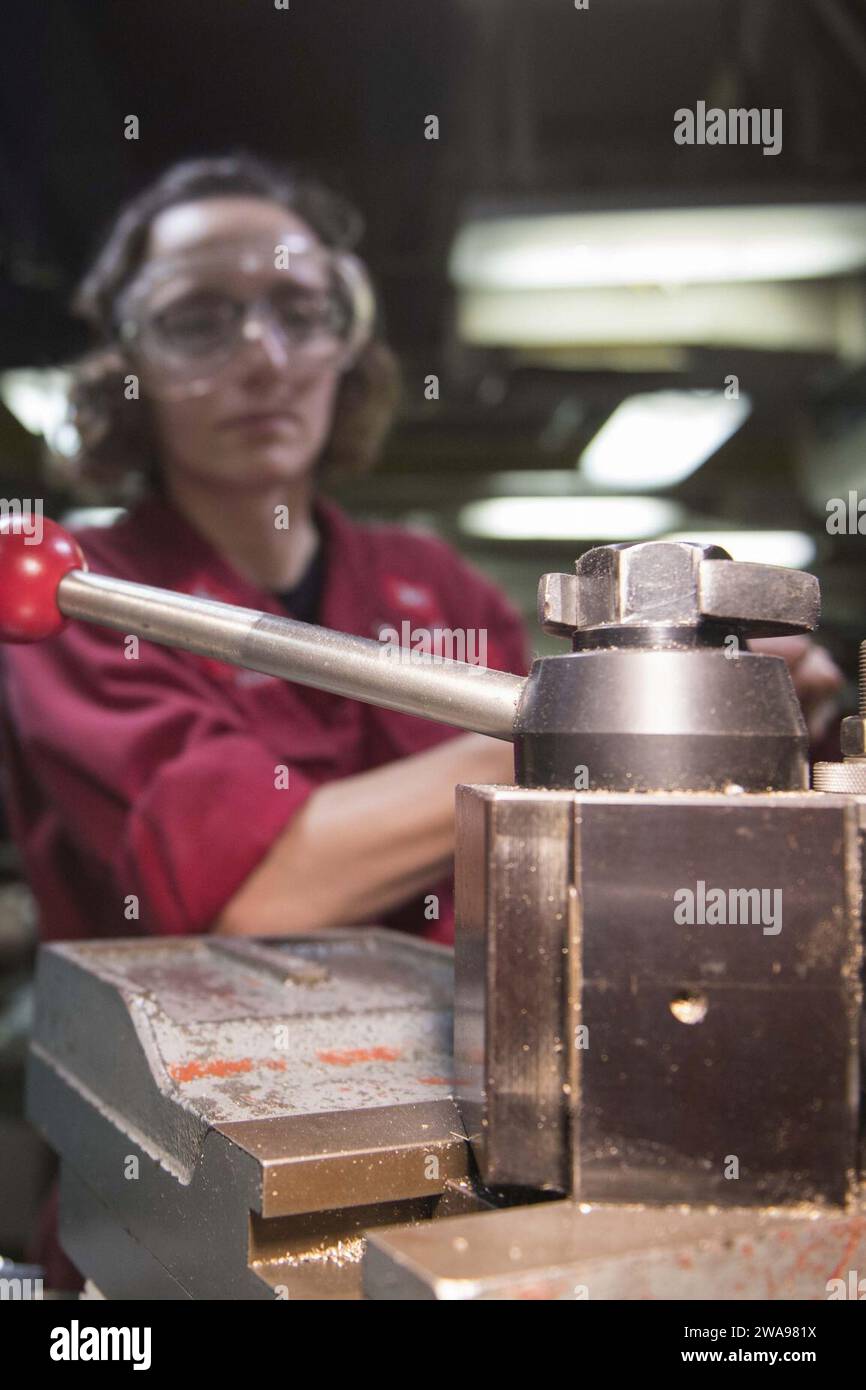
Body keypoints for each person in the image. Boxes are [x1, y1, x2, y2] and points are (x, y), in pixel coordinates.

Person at [0, 152, 527, 949]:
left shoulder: (442, 589)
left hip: (458, 1060)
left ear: (344, 345)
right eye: (196, 321)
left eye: (302, 313)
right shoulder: (76, 595)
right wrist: (584, 729)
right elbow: (252, 892)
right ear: (129, 367)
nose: (263, 360)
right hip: (186, 1067)